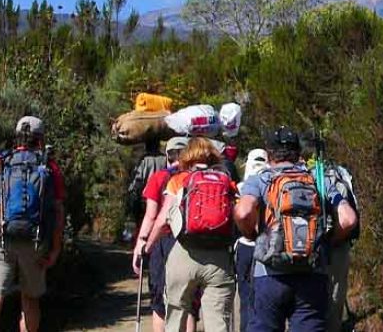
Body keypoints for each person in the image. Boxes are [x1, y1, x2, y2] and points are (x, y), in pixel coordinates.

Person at [234, 127, 357, 332]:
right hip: (312, 274)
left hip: (269, 274)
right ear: (299, 153)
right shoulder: (318, 179)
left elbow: (243, 212)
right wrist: (329, 242)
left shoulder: (261, 179)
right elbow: (348, 219)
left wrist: (253, 236)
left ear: (269, 154)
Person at [0, 116, 67, 332]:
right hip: (35, 241)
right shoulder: (49, 168)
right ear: (40, 140)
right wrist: (56, 247)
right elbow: (58, 213)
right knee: (30, 300)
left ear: (17, 137)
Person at [148, 137, 237, 332]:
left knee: (177, 311)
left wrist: (148, 245)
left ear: (186, 157)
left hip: (184, 253)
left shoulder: (179, 180)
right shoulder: (227, 182)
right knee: (218, 321)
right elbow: (237, 215)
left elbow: (163, 219)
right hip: (219, 258)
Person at [303, 135, 360, 332]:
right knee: (335, 298)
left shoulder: (304, 175)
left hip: (312, 246)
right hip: (340, 245)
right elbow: (350, 219)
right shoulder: (341, 174)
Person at [134, 136, 189, 332]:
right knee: (187, 302)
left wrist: (141, 244)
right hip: (189, 243)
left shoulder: (159, 178)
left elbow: (150, 216)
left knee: (159, 303)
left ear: (167, 155)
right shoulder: (193, 177)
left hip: (162, 241)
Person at [233, 149, 269, 332]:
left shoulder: (241, 188)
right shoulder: (273, 184)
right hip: (268, 247)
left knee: (246, 298)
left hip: (244, 247)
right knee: (265, 300)